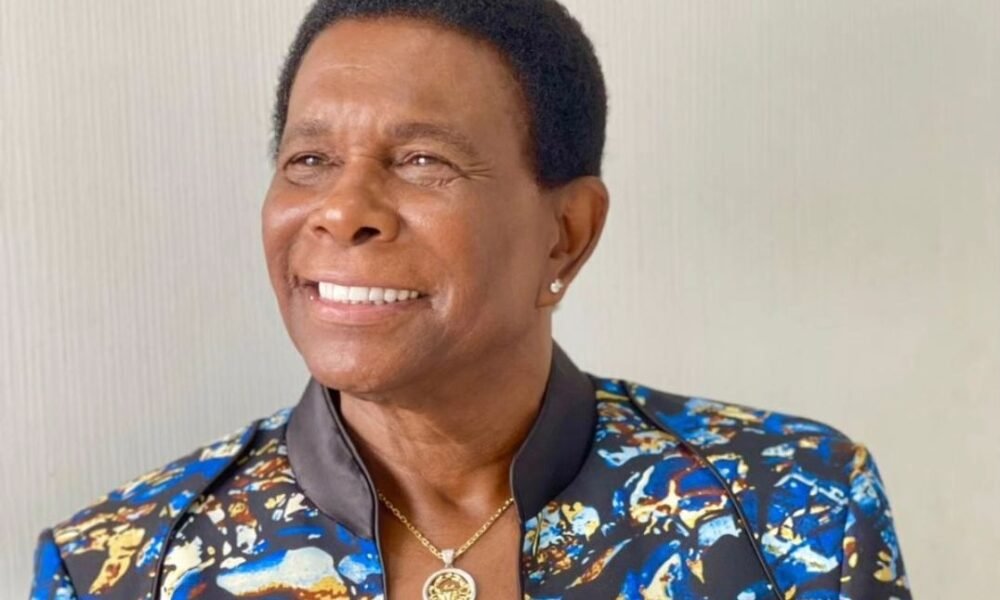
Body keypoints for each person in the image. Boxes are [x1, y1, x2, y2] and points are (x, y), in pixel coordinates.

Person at [29, 1, 911, 599]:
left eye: (423, 161)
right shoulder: (120, 566)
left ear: (566, 233)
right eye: (309, 160)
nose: (341, 209)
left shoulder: (794, 512)